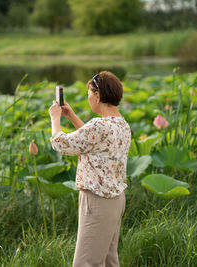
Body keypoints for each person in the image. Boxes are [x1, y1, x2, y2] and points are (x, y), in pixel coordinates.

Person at [48, 71, 131, 267]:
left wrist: (55, 119)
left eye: (89, 94)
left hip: (97, 201)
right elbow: (96, 141)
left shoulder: (98, 126)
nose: (88, 99)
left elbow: (62, 144)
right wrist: (72, 117)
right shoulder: (121, 124)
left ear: (98, 95)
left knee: (85, 263)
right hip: (116, 200)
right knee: (109, 260)